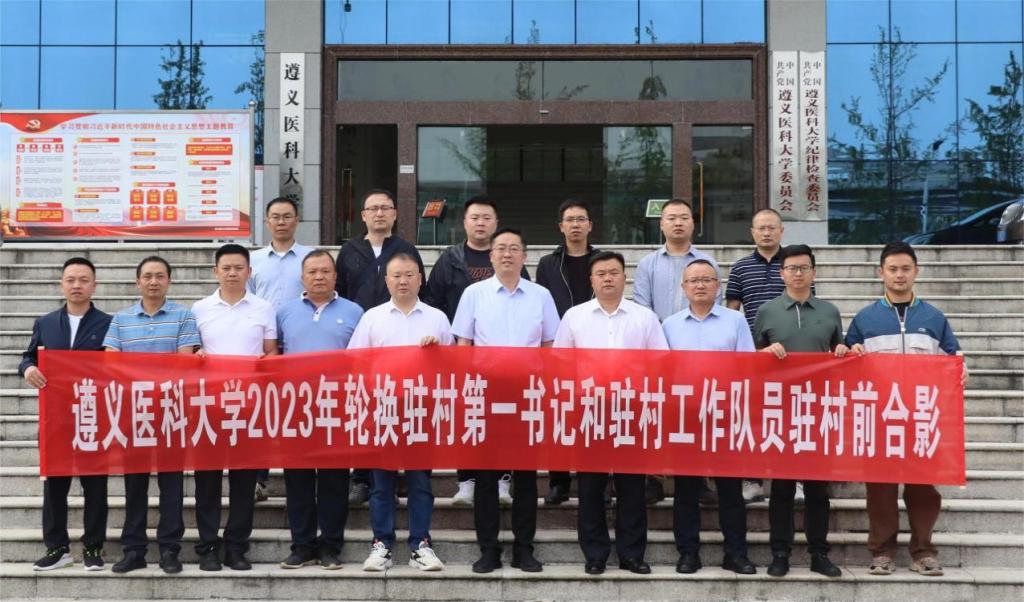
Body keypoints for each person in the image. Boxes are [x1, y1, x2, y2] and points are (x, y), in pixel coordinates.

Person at [845, 241, 966, 577]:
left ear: (916, 272)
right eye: (893, 269)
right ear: (880, 273)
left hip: (922, 416)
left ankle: (923, 551)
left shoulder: (934, 317)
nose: (899, 275)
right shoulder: (866, 318)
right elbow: (847, 360)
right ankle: (882, 552)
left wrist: (962, 370)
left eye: (906, 269)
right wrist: (850, 352)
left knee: (923, 487)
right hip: (880, 416)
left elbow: (953, 357)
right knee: (880, 488)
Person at [452, 228, 560, 574]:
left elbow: (550, 346)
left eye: (514, 248)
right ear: (491, 256)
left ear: (524, 256)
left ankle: (524, 549)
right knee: (485, 477)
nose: (507, 254)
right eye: (501, 248)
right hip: (486, 395)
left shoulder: (541, 295)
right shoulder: (474, 293)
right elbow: (463, 344)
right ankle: (488, 550)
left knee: (526, 477)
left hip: (528, 395)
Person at [553, 251, 667, 576]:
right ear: (591, 279)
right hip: (589, 409)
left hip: (632, 408)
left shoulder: (644, 317)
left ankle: (632, 554)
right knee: (591, 487)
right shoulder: (574, 317)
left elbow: (661, 361)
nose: (607, 278)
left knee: (632, 487)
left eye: (613, 272)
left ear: (624, 277)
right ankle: (595, 554)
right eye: (601, 273)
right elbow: (560, 363)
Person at [348, 253, 451, 573]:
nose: (403, 281)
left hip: (422, 410)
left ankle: (421, 544)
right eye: (396, 275)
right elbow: (355, 362)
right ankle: (382, 544)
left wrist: (437, 353)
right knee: (382, 484)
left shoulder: (437, 318)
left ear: (420, 279)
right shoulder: (373, 318)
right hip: (384, 410)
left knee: (420, 482)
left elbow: (453, 366)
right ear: (386, 280)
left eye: (409, 275)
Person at [752, 244, 850, 578]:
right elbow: (750, 360)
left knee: (817, 489)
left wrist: (842, 351)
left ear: (814, 272)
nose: (798, 273)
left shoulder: (829, 311)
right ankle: (780, 553)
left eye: (804, 267)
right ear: (781, 273)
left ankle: (819, 553)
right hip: (780, 411)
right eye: (791, 268)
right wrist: (765, 353)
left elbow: (839, 354)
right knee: (781, 488)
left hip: (818, 410)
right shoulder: (766, 312)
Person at [427, 196, 526, 507]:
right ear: (465, 223)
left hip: (507, 362)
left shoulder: (509, 259)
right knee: (469, 420)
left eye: (486, 218)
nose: (480, 223)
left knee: (504, 422)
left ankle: (503, 479)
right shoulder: (449, 259)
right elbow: (434, 302)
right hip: (463, 354)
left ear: (496, 224)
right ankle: (466, 481)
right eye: (475, 217)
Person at [104, 256, 200, 575]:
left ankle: (170, 549)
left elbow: (184, 362)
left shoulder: (183, 316)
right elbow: (112, 364)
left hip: (172, 411)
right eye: (147, 276)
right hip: (134, 412)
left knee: (172, 485)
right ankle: (134, 550)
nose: (153, 281)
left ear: (169, 281)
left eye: (160, 276)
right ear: (138, 282)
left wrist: (141, 371)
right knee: (134, 485)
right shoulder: (121, 320)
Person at [662, 260, 756, 575]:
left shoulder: (735, 321)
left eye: (707, 279)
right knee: (686, 490)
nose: (700, 285)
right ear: (683, 287)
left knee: (730, 490)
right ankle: (688, 553)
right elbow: (663, 373)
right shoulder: (670, 325)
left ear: (718, 286)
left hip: (725, 415)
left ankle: (736, 554)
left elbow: (747, 367)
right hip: (685, 418)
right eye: (693, 280)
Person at [335, 188, 425, 505]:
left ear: (395, 214)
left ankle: (399, 476)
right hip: (363, 341)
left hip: (399, 342)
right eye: (373, 208)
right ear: (363, 215)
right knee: (366, 415)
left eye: (385, 208)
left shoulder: (405, 250)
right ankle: (361, 478)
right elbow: (340, 292)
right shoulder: (350, 250)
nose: (379, 213)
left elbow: (419, 289)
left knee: (402, 413)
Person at [20, 257, 112, 571]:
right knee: (55, 485)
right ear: (61, 284)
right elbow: (28, 357)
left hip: (94, 416)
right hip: (56, 417)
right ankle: (57, 548)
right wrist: (28, 369)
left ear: (94, 286)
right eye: (71, 279)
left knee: (95, 486)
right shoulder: (45, 323)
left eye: (83, 280)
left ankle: (93, 547)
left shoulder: (109, 323)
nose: (77, 285)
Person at [191, 244, 279, 571]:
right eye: (226, 268)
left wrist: (266, 362)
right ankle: (207, 546)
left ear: (249, 272)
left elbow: (272, 351)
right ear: (215, 271)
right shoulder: (199, 309)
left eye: (238, 268)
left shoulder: (264, 308)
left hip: (248, 406)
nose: (232, 273)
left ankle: (237, 547)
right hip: (209, 406)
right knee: (207, 482)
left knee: (244, 482)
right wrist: (197, 355)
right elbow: (192, 350)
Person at [276, 249, 364, 570]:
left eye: (325, 271)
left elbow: (364, 358)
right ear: (302, 277)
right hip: (296, 409)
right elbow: (275, 356)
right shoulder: (284, 312)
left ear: (335, 276)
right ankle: (301, 546)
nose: (319, 277)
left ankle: (330, 546)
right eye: (312, 271)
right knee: (297, 480)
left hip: (337, 408)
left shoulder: (355, 311)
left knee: (334, 482)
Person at [632, 197, 721, 505]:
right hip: (658, 350)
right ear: (661, 224)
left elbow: (715, 304)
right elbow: (642, 307)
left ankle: (699, 478)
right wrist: (660, 338)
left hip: (698, 350)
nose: (678, 223)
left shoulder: (707, 263)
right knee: (657, 416)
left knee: (696, 415)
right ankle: (654, 479)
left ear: (693, 223)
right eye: (671, 218)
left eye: (684, 217)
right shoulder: (648, 264)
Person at [725, 208, 800, 504]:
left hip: (790, 352)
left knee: (791, 417)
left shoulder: (795, 264)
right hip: (752, 352)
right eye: (761, 228)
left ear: (781, 231)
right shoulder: (741, 268)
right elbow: (732, 310)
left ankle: (796, 478)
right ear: (752, 233)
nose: (766, 232)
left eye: (772, 227)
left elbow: (806, 300)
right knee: (752, 417)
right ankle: (752, 478)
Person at [534, 199, 599, 506]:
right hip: (559, 348)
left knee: (596, 416)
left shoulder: (601, 260)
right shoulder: (549, 263)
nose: (575, 225)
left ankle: (597, 481)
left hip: (596, 347)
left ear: (590, 225)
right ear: (561, 226)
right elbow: (541, 305)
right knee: (559, 416)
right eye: (570, 220)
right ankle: (559, 481)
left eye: (581, 219)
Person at [248, 196, 312, 502]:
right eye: (276, 216)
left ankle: (303, 470)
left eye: (287, 216)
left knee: (298, 409)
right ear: (266, 222)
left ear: (297, 220)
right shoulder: (254, 260)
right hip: (264, 345)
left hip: (300, 341)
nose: (282, 222)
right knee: (260, 410)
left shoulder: (311, 258)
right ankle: (258, 478)